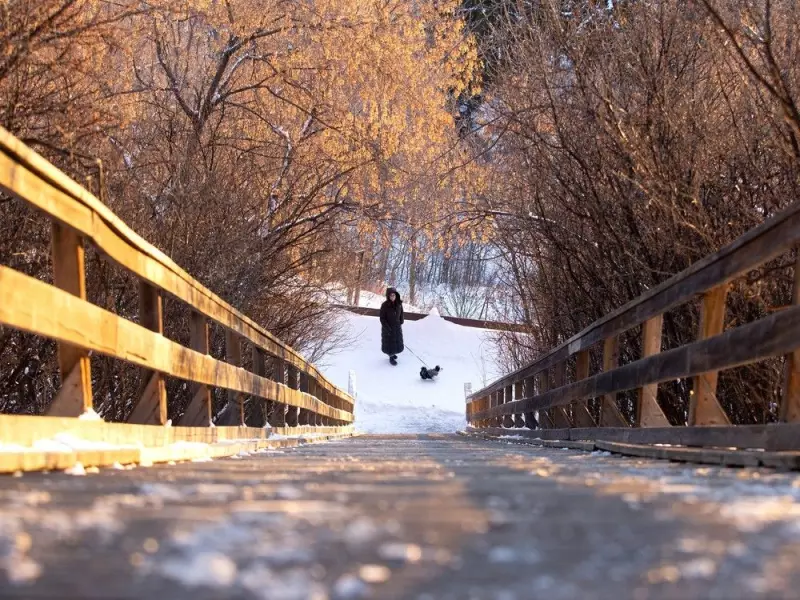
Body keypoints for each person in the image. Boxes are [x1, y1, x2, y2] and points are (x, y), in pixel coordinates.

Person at [380, 287, 404, 365]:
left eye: (394, 295)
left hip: (397, 327)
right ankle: (391, 357)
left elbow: (402, 313)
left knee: (396, 342)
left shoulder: (399, 304)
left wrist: (401, 321)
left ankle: (393, 354)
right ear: (388, 296)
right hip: (388, 328)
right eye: (391, 295)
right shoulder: (384, 305)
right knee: (390, 343)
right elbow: (382, 318)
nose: (392, 297)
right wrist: (387, 328)